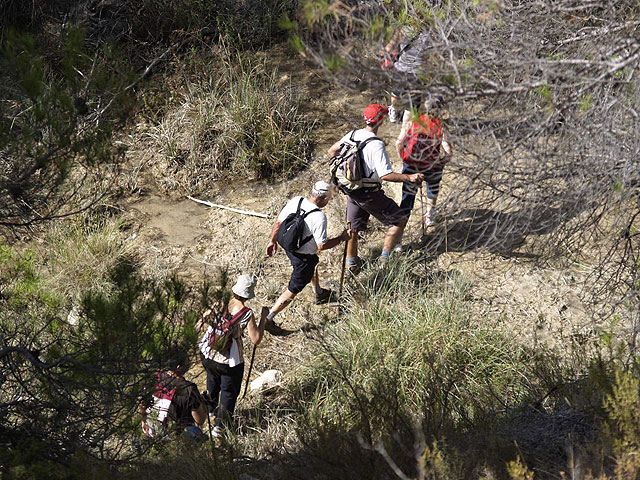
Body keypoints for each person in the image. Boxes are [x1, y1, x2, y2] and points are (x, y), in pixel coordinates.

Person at [327, 104, 424, 272]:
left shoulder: (353, 134)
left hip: (351, 190)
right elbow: (386, 175)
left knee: (352, 229)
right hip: (368, 193)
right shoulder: (376, 144)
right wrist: (409, 177)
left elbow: (332, 151)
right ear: (380, 121)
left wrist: (353, 174)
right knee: (399, 220)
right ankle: (384, 263)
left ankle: (353, 264)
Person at [264, 181, 349, 331]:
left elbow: (278, 224)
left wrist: (272, 241)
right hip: (302, 256)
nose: (328, 202)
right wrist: (341, 238)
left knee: (312, 263)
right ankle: (269, 319)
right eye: (328, 199)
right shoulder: (319, 217)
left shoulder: (297, 200)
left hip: (288, 246)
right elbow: (321, 245)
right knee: (293, 289)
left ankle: (319, 293)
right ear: (322, 199)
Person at [197, 274, 267, 437]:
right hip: (228, 361)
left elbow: (202, 320)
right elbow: (256, 339)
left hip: (208, 354)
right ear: (249, 294)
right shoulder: (247, 313)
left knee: (212, 381)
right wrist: (263, 319)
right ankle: (219, 427)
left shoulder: (222, 302)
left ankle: (208, 410)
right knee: (229, 391)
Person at [395, 95, 452, 226]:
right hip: (431, 166)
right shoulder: (441, 126)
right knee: (433, 187)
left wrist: (403, 160)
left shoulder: (413, 122)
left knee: (407, 200)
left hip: (411, 165)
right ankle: (430, 216)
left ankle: (397, 239)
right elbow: (448, 152)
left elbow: (398, 144)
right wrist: (442, 162)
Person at [139, 350, 208, 441]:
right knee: (197, 433)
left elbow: (141, 408)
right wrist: (204, 403)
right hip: (175, 436)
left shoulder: (153, 379)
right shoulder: (189, 389)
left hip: (151, 430)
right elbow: (200, 420)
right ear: (179, 367)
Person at [382, 27, 431, 123]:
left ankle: (394, 112)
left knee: (396, 92)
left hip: (401, 68)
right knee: (412, 104)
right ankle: (405, 129)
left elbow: (390, 46)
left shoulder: (407, 26)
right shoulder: (432, 32)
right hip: (418, 72)